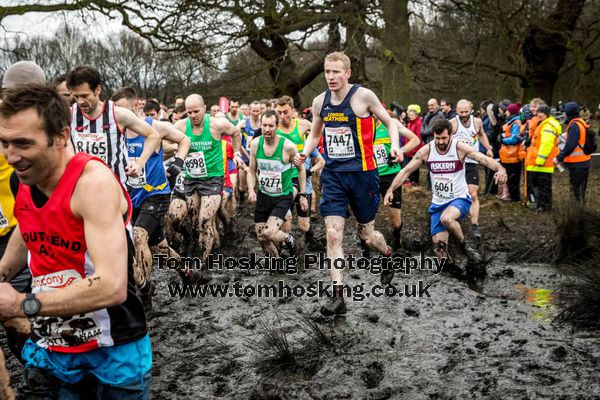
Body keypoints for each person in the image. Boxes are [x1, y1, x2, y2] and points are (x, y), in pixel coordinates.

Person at [0, 84, 150, 398]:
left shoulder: (93, 185)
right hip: (54, 346)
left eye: (23, 144)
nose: (11, 157)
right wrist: (2, 271)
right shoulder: (24, 178)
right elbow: (28, 225)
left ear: (61, 136)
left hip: (112, 348)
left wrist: (21, 304)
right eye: (4, 143)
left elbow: (112, 285)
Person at [298, 51, 401, 316]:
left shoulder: (363, 96)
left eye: (336, 72)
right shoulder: (320, 102)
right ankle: (338, 295)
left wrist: (396, 147)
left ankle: (387, 254)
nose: (330, 77)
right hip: (333, 176)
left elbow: (390, 123)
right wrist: (305, 151)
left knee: (367, 236)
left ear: (347, 73)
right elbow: (314, 135)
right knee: (332, 233)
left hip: (363, 175)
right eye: (327, 71)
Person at [384, 119, 507, 275]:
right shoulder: (426, 151)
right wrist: (390, 189)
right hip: (438, 203)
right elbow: (406, 171)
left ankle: (465, 247)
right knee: (440, 254)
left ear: (450, 135)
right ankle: (455, 273)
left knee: (447, 219)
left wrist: (500, 169)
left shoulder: (459, 148)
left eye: (444, 138)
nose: (441, 142)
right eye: (437, 138)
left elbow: (483, 158)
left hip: (459, 198)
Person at [112, 87, 190, 313]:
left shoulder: (155, 127)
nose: (121, 116)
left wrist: (177, 163)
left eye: (124, 110)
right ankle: (188, 273)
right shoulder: (115, 132)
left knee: (139, 236)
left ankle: (145, 290)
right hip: (129, 198)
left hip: (156, 194)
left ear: (137, 106)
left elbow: (184, 140)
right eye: (116, 111)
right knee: (159, 247)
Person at [173, 94, 242, 263]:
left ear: (204, 108)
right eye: (189, 112)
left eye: (196, 111)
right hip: (191, 178)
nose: (193, 116)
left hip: (213, 178)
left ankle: (203, 261)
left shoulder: (216, 124)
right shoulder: (181, 126)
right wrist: (177, 151)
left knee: (205, 219)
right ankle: (215, 246)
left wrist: (238, 153)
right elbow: (166, 141)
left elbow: (236, 132)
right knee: (195, 222)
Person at [67, 65, 160, 187]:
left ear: (97, 90)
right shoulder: (70, 114)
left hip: (115, 188)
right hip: (82, 187)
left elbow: (153, 135)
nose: (80, 102)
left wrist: (139, 163)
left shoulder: (117, 114)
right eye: (76, 96)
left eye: (84, 96)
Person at [247, 110, 308, 257]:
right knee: (261, 237)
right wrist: (251, 190)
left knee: (269, 232)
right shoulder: (255, 144)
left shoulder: (288, 147)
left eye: (271, 126)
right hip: (264, 195)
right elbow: (251, 170)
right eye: (264, 125)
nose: (267, 129)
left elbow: (301, 170)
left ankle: (289, 238)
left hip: (282, 196)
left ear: (277, 126)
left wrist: (302, 195)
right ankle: (278, 262)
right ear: (260, 126)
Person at [373, 117, 419, 283]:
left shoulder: (390, 124)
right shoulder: (360, 124)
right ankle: (366, 246)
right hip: (369, 175)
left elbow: (415, 140)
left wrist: (400, 151)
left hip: (390, 176)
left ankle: (397, 242)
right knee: (364, 214)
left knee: (395, 220)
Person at [450, 99, 494, 239]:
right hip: (456, 163)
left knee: (473, 194)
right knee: (454, 193)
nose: (464, 115)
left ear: (471, 109)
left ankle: (474, 225)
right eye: (461, 112)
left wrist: (488, 148)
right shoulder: (452, 123)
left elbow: (481, 134)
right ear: (457, 111)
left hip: (471, 162)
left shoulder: (477, 122)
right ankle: (454, 217)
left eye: (466, 112)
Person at [525, 104, 561, 211]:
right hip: (537, 162)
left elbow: (546, 144)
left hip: (541, 163)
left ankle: (543, 206)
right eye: (539, 112)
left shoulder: (548, 126)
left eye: (542, 113)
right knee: (540, 186)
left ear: (547, 114)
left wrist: (540, 158)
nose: (539, 114)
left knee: (542, 186)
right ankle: (540, 205)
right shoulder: (543, 124)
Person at [557, 101, 591, 204]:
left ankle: (577, 213)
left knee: (576, 190)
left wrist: (560, 157)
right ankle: (579, 210)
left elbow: (570, 145)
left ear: (567, 112)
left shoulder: (575, 125)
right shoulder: (580, 122)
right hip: (583, 162)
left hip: (578, 163)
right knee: (580, 190)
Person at [237, 101, 262, 203]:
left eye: (257, 111)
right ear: (249, 111)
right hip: (245, 157)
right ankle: (242, 201)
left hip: (259, 157)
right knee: (242, 186)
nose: (255, 113)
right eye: (253, 111)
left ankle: (255, 204)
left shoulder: (263, 124)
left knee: (258, 184)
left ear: (260, 111)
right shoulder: (243, 124)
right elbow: (236, 141)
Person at [499, 103, 524, 202]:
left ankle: (514, 198)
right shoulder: (511, 122)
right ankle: (510, 195)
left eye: (508, 110)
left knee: (513, 177)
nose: (506, 112)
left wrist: (502, 139)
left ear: (511, 112)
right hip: (508, 154)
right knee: (510, 177)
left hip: (512, 155)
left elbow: (514, 139)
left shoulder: (515, 123)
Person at [404, 104, 423, 185]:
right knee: (409, 165)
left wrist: (415, 151)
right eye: (409, 115)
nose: (410, 116)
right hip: (409, 147)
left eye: (412, 115)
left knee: (414, 166)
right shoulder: (409, 123)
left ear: (416, 114)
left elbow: (418, 138)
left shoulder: (418, 123)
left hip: (415, 149)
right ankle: (410, 180)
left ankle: (414, 182)